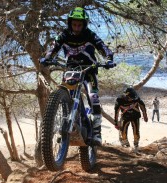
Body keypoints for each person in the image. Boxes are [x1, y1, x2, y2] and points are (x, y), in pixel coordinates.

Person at [40, 7, 115, 146]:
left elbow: (102, 46)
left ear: (84, 24)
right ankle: (68, 123)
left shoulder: (90, 35)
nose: (76, 27)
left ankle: (97, 131)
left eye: (80, 25)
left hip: (89, 69)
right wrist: (48, 57)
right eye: (74, 24)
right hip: (71, 69)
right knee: (66, 95)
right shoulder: (64, 35)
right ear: (70, 23)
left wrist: (109, 58)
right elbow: (54, 47)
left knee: (93, 96)